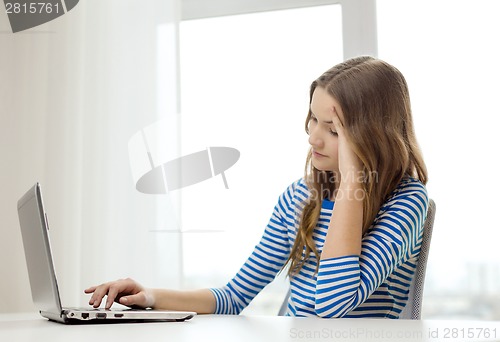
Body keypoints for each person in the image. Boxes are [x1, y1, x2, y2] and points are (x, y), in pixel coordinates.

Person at [85, 56, 429, 318]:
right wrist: (150, 297)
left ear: (372, 136)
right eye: (312, 119)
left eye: (334, 129)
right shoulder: (300, 197)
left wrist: (352, 180)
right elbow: (234, 296)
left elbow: (332, 305)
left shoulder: (406, 202)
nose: (313, 137)